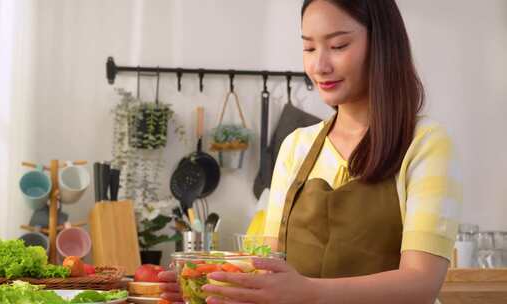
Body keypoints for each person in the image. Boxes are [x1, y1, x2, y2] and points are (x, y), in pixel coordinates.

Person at [159, 0, 462, 303]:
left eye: (339, 45)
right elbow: (268, 268)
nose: (320, 66)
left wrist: (308, 293)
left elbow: (421, 284)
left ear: (382, 44)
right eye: (309, 48)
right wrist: (210, 281)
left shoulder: (425, 143)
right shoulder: (296, 146)